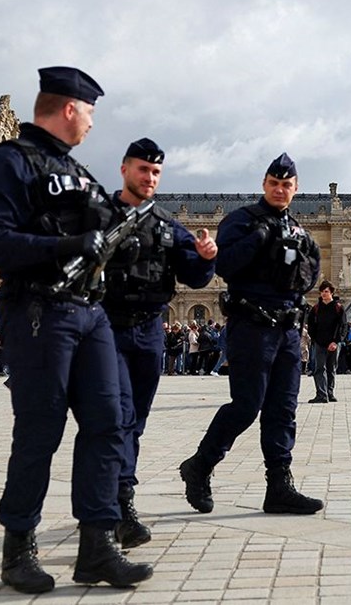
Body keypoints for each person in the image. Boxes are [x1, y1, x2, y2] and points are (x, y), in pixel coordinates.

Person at [0, 67, 153, 592]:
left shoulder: (78, 171)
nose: (91, 122)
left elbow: (108, 228)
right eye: (89, 111)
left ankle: (97, 546)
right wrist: (64, 247)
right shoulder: (11, 162)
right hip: (39, 308)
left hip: (90, 312)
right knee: (40, 430)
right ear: (68, 108)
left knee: (109, 423)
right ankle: (19, 547)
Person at [179, 152, 323, 516]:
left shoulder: (300, 233)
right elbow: (224, 265)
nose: (280, 189)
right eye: (274, 183)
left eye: (286, 184)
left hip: (288, 330)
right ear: (264, 184)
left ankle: (279, 486)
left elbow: (309, 277)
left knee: (283, 409)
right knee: (246, 405)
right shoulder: (241, 221)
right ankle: (200, 465)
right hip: (252, 326)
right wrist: (259, 238)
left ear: (295, 188)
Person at [102, 138, 218, 549]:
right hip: (107, 329)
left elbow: (196, 277)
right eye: (142, 169)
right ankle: (118, 504)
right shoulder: (99, 215)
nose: (149, 177)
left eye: (155, 172)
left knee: (135, 420)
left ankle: (116, 499)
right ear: (124, 169)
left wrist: (206, 257)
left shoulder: (167, 225)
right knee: (116, 417)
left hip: (150, 330)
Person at [306, 280, 345, 402]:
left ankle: (329, 393)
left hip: (333, 343)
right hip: (319, 343)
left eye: (326, 291)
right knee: (319, 368)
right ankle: (321, 394)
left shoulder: (338, 308)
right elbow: (311, 325)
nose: (323, 294)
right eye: (322, 291)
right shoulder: (316, 308)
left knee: (331, 368)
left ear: (331, 292)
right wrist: (314, 339)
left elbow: (342, 326)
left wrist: (336, 341)